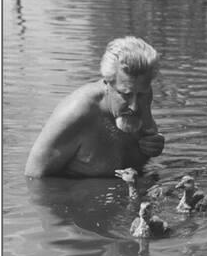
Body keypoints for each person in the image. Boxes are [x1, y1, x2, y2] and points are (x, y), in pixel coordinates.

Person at [24, 36, 165, 178]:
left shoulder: (143, 93)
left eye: (141, 94)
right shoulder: (76, 112)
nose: (135, 107)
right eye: (125, 95)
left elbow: (146, 139)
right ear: (107, 83)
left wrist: (154, 145)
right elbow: (34, 180)